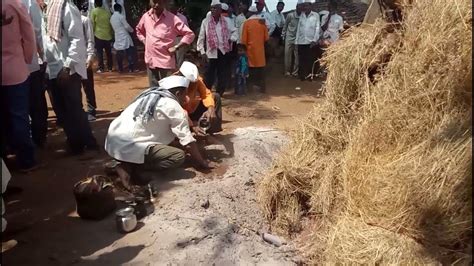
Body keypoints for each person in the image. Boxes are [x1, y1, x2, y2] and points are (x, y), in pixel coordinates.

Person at [104, 76, 213, 189]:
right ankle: (135, 167)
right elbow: (187, 142)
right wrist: (202, 162)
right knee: (178, 156)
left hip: (114, 142)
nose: (186, 98)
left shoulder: (148, 96)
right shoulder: (173, 106)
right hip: (130, 145)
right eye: (184, 94)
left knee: (172, 144)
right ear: (177, 93)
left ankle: (121, 162)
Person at [43, 0, 99, 155]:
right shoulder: (47, 10)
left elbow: (76, 39)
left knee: (74, 109)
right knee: (61, 110)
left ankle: (90, 144)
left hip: (67, 68)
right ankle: (75, 144)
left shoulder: (67, 8)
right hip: (52, 68)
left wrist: (68, 66)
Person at [1, 0, 38, 171]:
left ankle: (5, 163)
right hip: (15, 68)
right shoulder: (14, 4)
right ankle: (26, 160)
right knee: (19, 116)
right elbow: (29, 34)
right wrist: (28, 58)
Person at [136, 0, 195, 87]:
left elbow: (189, 34)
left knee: (168, 88)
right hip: (151, 59)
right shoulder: (146, 17)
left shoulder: (172, 19)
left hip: (165, 60)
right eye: (154, 2)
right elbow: (139, 30)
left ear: (164, 3)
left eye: (159, 2)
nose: (156, 5)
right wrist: (145, 41)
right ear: (150, 2)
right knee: (153, 89)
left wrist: (177, 47)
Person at [22, 0, 48, 148]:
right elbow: (39, 32)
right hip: (29, 64)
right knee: (36, 103)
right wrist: (44, 57)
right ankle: (39, 138)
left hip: (24, 65)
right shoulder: (29, 3)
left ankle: (36, 138)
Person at [197, 0, 237, 97]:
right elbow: (201, 37)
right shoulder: (206, 21)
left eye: (215, 8)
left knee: (222, 74)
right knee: (209, 75)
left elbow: (235, 31)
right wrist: (202, 51)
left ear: (220, 10)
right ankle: (206, 94)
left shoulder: (227, 21)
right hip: (211, 52)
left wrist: (231, 39)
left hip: (223, 51)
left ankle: (219, 94)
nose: (213, 10)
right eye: (212, 8)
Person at [176, 61, 222, 134]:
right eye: (190, 82)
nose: (192, 84)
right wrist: (191, 123)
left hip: (192, 110)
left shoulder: (197, 80)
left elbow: (206, 94)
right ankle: (188, 130)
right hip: (181, 114)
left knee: (215, 97)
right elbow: (175, 108)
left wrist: (211, 108)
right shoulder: (173, 85)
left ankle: (210, 131)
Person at [241, 5, 269, 93]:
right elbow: (266, 38)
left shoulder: (246, 23)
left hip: (250, 51)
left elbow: (244, 40)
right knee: (261, 70)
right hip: (260, 51)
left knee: (251, 70)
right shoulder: (262, 22)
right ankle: (262, 89)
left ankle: (250, 89)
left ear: (250, 13)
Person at [80, 3, 98, 121]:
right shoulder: (65, 21)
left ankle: (91, 109)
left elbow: (90, 40)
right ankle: (79, 110)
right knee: (74, 88)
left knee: (88, 86)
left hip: (84, 58)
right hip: (72, 60)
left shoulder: (85, 21)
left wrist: (90, 56)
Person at [295, 0, 320, 81]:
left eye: (307, 6)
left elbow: (317, 28)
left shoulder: (316, 15)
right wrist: (296, 41)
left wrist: (314, 40)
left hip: (311, 42)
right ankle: (302, 76)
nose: (306, 7)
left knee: (311, 60)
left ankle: (310, 76)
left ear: (311, 6)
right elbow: (299, 28)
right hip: (301, 41)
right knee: (302, 60)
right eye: (304, 6)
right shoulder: (301, 15)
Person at [110, 3, 137, 73]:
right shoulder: (121, 16)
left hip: (117, 36)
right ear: (119, 9)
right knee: (129, 51)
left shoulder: (111, 18)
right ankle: (131, 68)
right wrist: (132, 30)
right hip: (124, 35)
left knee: (119, 52)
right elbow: (127, 26)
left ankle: (120, 68)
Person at [91, 0, 114, 73]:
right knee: (108, 52)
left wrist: (92, 33)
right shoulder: (107, 12)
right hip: (108, 35)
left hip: (98, 35)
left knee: (100, 52)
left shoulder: (94, 11)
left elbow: (92, 23)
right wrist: (111, 33)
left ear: (95, 4)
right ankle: (110, 67)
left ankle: (101, 68)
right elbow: (110, 23)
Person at [282, 0, 302, 77]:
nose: (300, 10)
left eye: (301, 8)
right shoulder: (290, 15)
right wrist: (283, 36)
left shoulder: (302, 16)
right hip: (289, 37)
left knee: (297, 56)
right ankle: (287, 71)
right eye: (299, 8)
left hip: (298, 38)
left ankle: (295, 72)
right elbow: (285, 26)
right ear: (296, 7)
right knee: (287, 54)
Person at [168, 0, 189, 68]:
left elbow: (187, 31)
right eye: (170, 5)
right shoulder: (165, 17)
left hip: (179, 39)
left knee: (180, 60)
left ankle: (180, 75)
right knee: (169, 59)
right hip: (168, 39)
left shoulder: (183, 18)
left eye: (173, 5)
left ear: (177, 7)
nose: (171, 7)